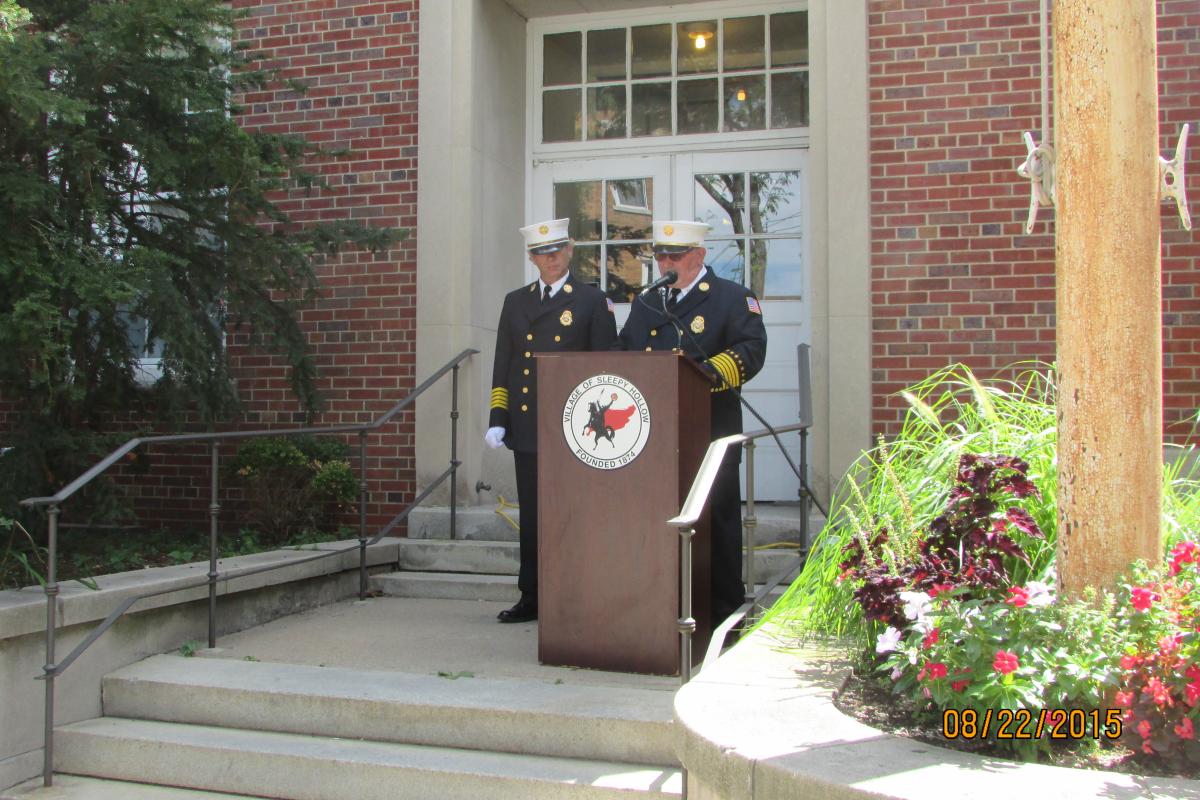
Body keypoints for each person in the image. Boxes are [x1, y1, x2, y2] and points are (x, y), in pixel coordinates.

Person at [617, 220, 767, 626]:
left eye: (675, 255)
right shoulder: (647, 301)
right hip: (655, 434)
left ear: (699, 256)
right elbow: (627, 352)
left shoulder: (732, 298)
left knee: (716, 520)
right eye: (661, 255)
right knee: (658, 517)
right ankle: (661, 606)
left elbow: (751, 351)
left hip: (711, 429)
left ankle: (724, 614)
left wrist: (702, 376)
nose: (666, 262)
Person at [485, 217, 618, 623]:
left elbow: (606, 370)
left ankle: (576, 593)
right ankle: (533, 596)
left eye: (558, 250)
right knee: (534, 516)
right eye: (543, 253)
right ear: (532, 258)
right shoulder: (516, 301)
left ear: (570, 251)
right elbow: (504, 363)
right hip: (527, 427)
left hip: (574, 430)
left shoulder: (592, 301)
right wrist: (498, 415)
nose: (551, 258)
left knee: (575, 514)